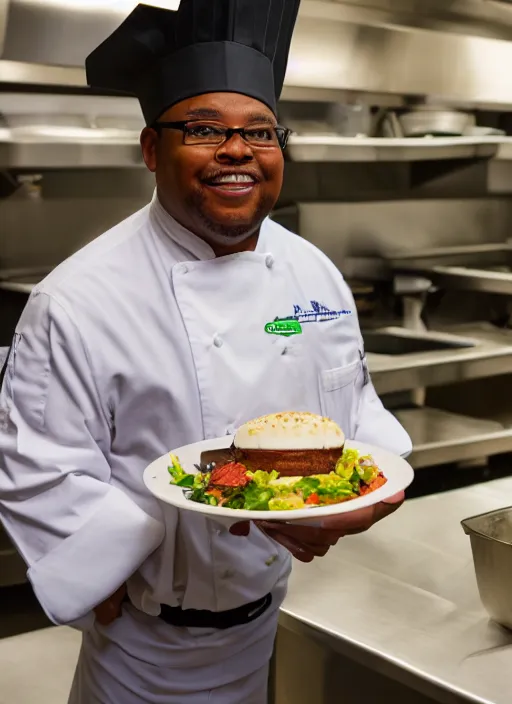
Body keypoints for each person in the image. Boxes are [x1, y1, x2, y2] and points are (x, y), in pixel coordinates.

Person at [0, 1, 411, 702]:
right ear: (151, 149)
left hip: (263, 628)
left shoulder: (314, 273)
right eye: (203, 128)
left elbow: (355, 408)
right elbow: (41, 472)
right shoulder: (76, 300)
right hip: (141, 653)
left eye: (259, 131)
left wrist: (356, 501)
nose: (237, 150)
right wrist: (106, 570)